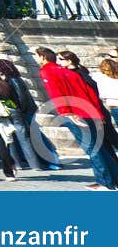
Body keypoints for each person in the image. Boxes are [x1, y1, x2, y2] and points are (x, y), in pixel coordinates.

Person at [35, 47, 118, 190]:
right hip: (90, 112)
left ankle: (105, 182)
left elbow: (56, 93)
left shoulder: (47, 71)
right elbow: (90, 93)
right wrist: (99, 114)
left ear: (43, 57)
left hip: (75, 113)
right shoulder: (71, 73)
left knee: (91, 148)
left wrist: (66, 112)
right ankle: (113, 179)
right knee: (101, 147)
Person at [0, 57, 50, 172]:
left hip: (22, 111)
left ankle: (37, 163)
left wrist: (21, 109)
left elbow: (21, 97)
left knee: (26, 137)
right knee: (26, 136)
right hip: (23, 110)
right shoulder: (15, 78)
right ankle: (34, 163)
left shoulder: (12, 80)